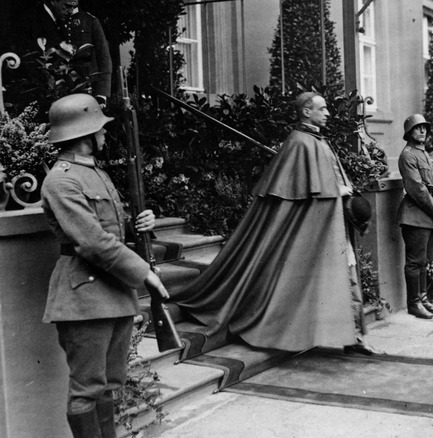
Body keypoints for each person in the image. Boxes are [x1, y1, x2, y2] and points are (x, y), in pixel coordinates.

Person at [171, 92, 382, 355]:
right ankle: (349, 337)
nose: (328, 113)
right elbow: (297, 195)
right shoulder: (298, 143)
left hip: (334, 225)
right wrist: (334, 192)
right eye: (322, 108)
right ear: (306, 112)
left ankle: (355, 338)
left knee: (346, 277)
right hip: (315, 229)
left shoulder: (319, 140)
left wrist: (340, 192)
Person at [40, 93, 168, 438]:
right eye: (101, 128)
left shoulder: (93, 173)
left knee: (110, 385)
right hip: (84, 298)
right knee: (87, 389)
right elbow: (92, 241)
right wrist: (144, 274)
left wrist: (141, 223)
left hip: (112, 293)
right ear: (85, 133)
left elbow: (109, 229)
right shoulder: (61, 180)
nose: (105, 134)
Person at [397, 114, 433, 319]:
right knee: (414, 261)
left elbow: (429, 185)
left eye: (425, 128)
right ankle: (414, 303)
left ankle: (423, 298)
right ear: (409, 132)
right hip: (414, 215)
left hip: (426, 216)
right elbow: (418, 190)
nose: (423, 131)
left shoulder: (423, 154)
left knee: (424, 261)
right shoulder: (408, 155)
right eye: (418, 128)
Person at [27, 0, 112, 105]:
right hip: (58, 91)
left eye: (73, 6)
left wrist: (101, 94)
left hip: (86, 89)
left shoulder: (90, 21)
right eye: (67, 6)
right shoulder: (52, 22)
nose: (70, 10)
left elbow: (104, 58)